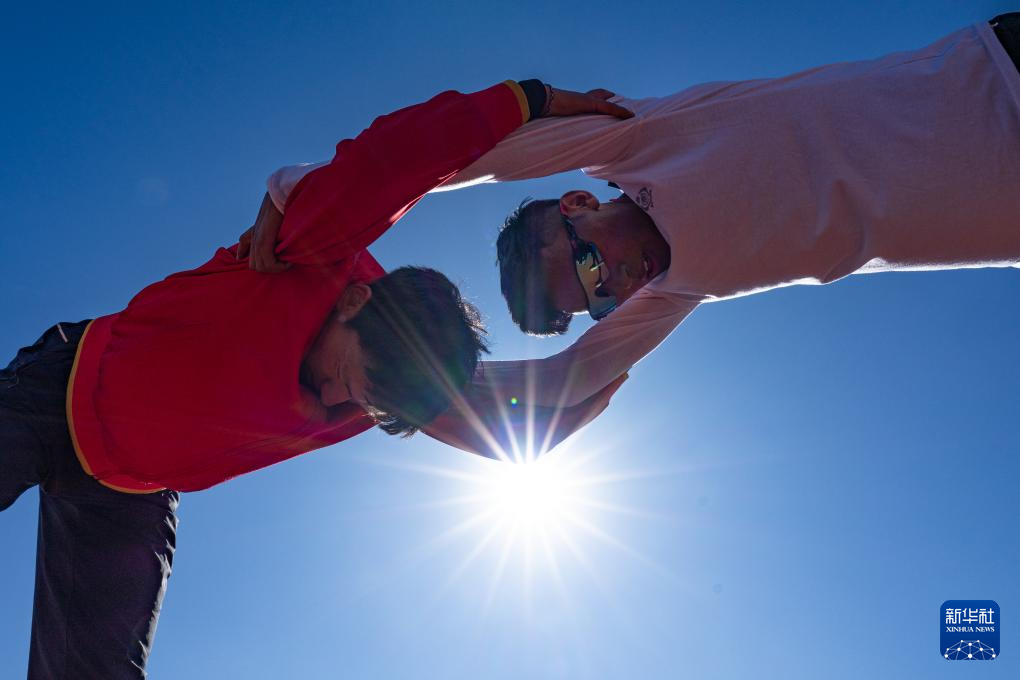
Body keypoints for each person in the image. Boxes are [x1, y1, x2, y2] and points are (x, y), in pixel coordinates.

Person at [0, 79, 631, 678]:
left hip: (127, 492)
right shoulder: (315, 250)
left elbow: (525, 428)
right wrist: (532, 98)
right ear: (355, 302)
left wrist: (642, 321)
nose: (331, 403)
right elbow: (397, 158)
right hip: (58, 391)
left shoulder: (386, 393)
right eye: (343, 376)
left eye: (358, 401)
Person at [259, 14, 1020, 459]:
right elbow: (562, 382)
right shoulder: (675, 289)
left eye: (592, 268)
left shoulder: (640, 139)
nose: (619, 289)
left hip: (998, 76)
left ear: (578, 204)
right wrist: (389, 382)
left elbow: (450, 157)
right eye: (600, 303)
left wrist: (296, 192)